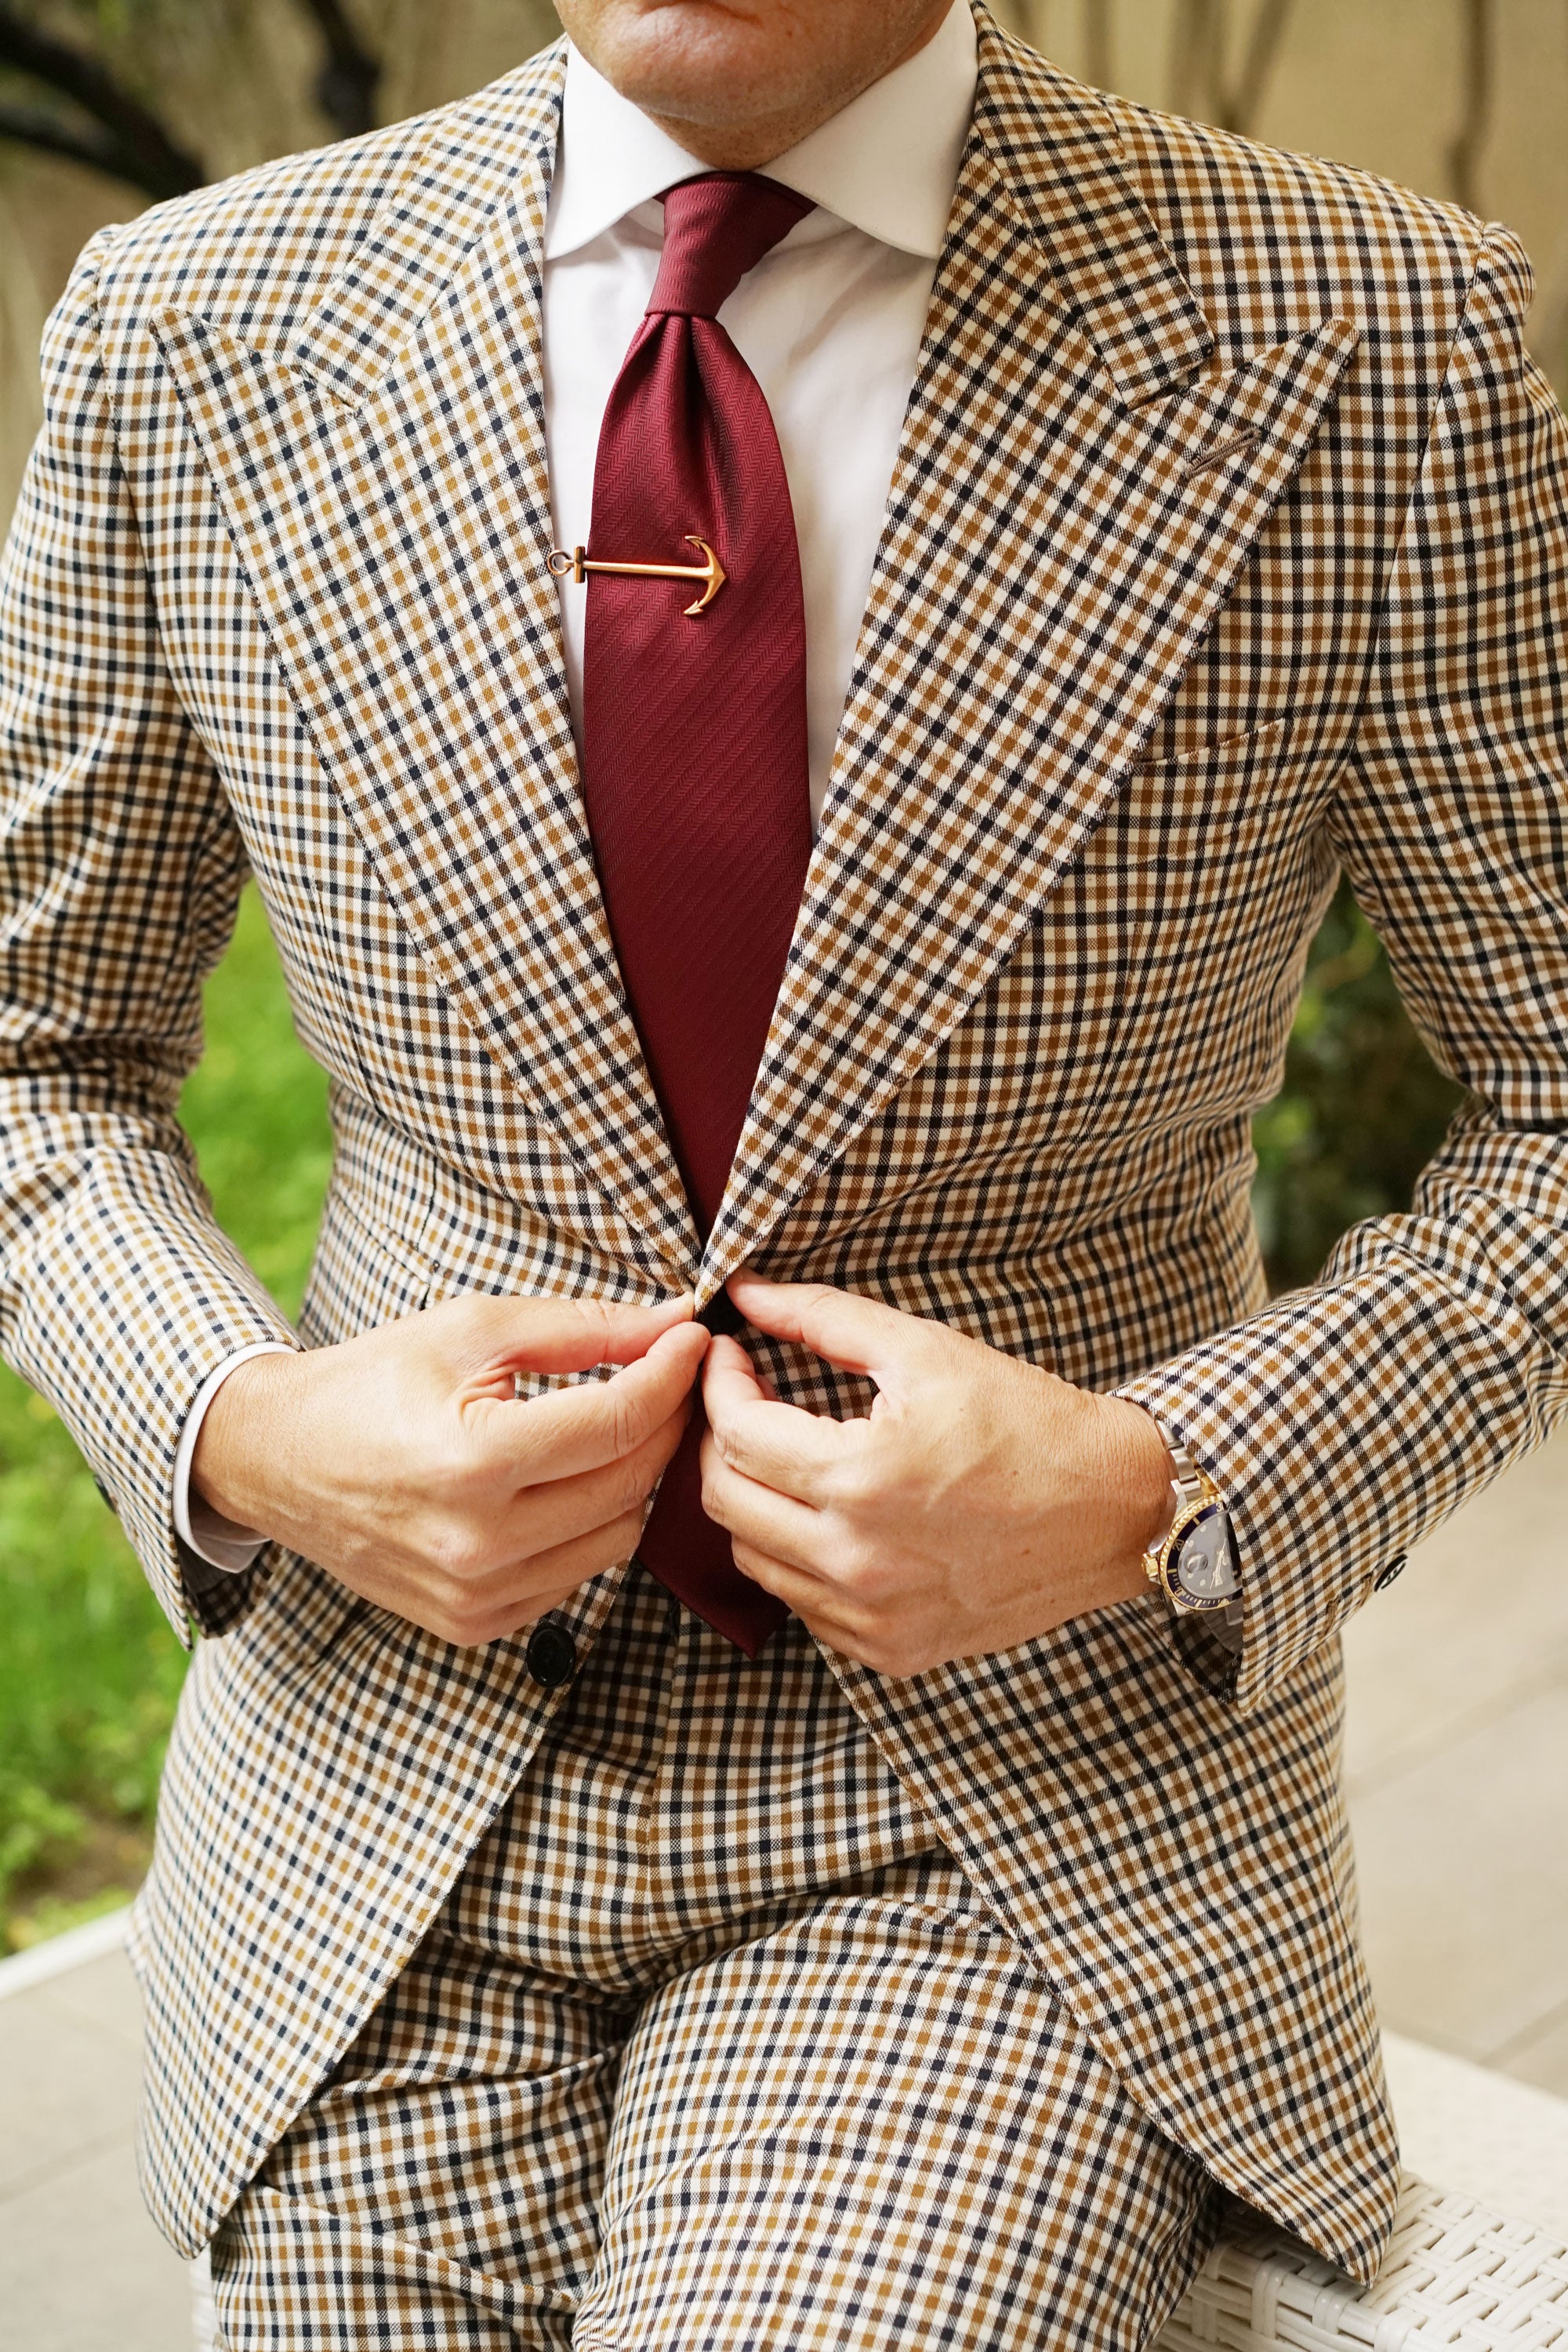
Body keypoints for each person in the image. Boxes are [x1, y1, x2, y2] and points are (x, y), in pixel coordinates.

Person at [2, 0, 1565, 2340]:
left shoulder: (1370, 334)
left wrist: (1163, 1480)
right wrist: (245, 1432)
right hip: (377, 1789)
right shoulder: (191, 320)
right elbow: (34, 1049)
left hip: (1013, 1810)